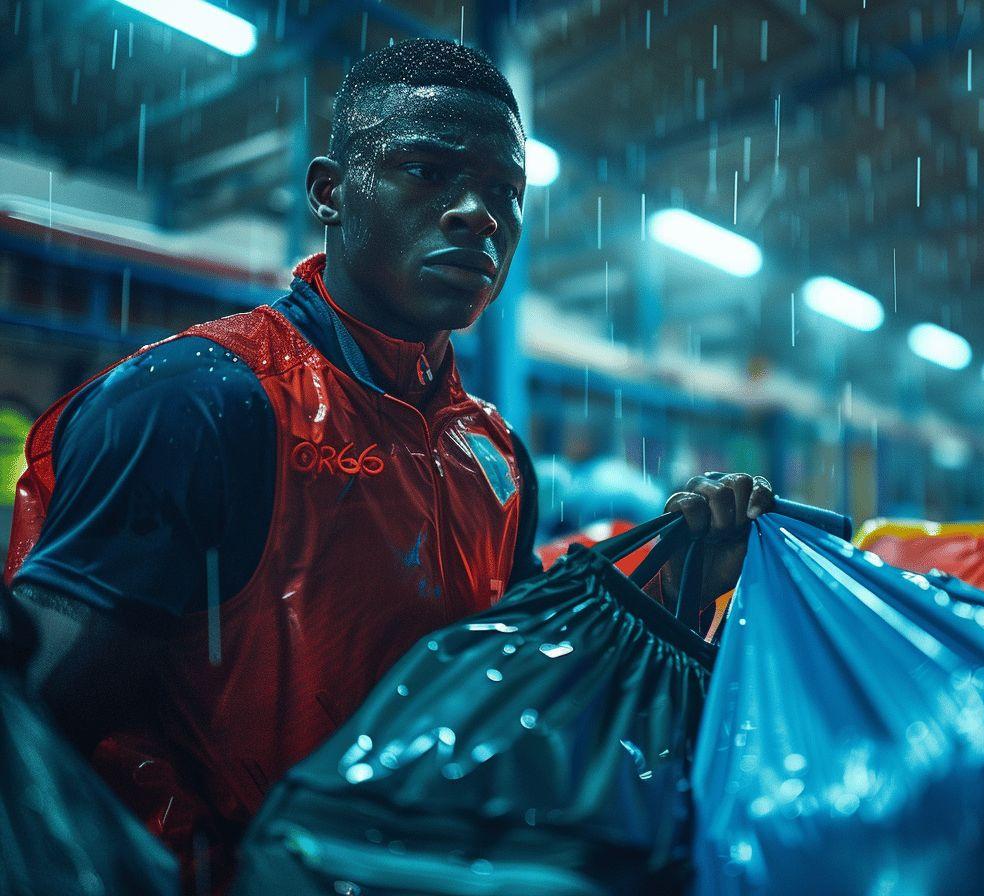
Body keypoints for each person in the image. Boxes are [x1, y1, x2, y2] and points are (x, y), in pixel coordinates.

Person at [3, 39, 773, 892]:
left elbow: (510, 682)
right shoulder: (199, 403)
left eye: (505, 194)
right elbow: (36, 738)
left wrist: (676, 577)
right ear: (330, 192)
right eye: (429, 171)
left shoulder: (494, 454)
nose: (479, 214)